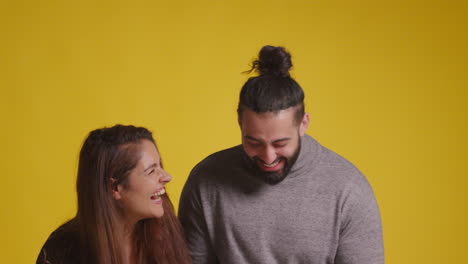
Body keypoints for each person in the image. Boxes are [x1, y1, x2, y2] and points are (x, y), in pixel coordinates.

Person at [178, 46, 384, 264]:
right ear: (240, 123)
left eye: (280, 143)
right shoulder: (206, 180)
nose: (268, 157)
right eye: (253, 142)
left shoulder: (348, 190)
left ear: (303, 124)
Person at [37, 125, 192, 264]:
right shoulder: (62, 249)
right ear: (115, 187)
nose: (167, 177)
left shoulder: (167, 234)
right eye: (151, 171)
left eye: (160, 165)